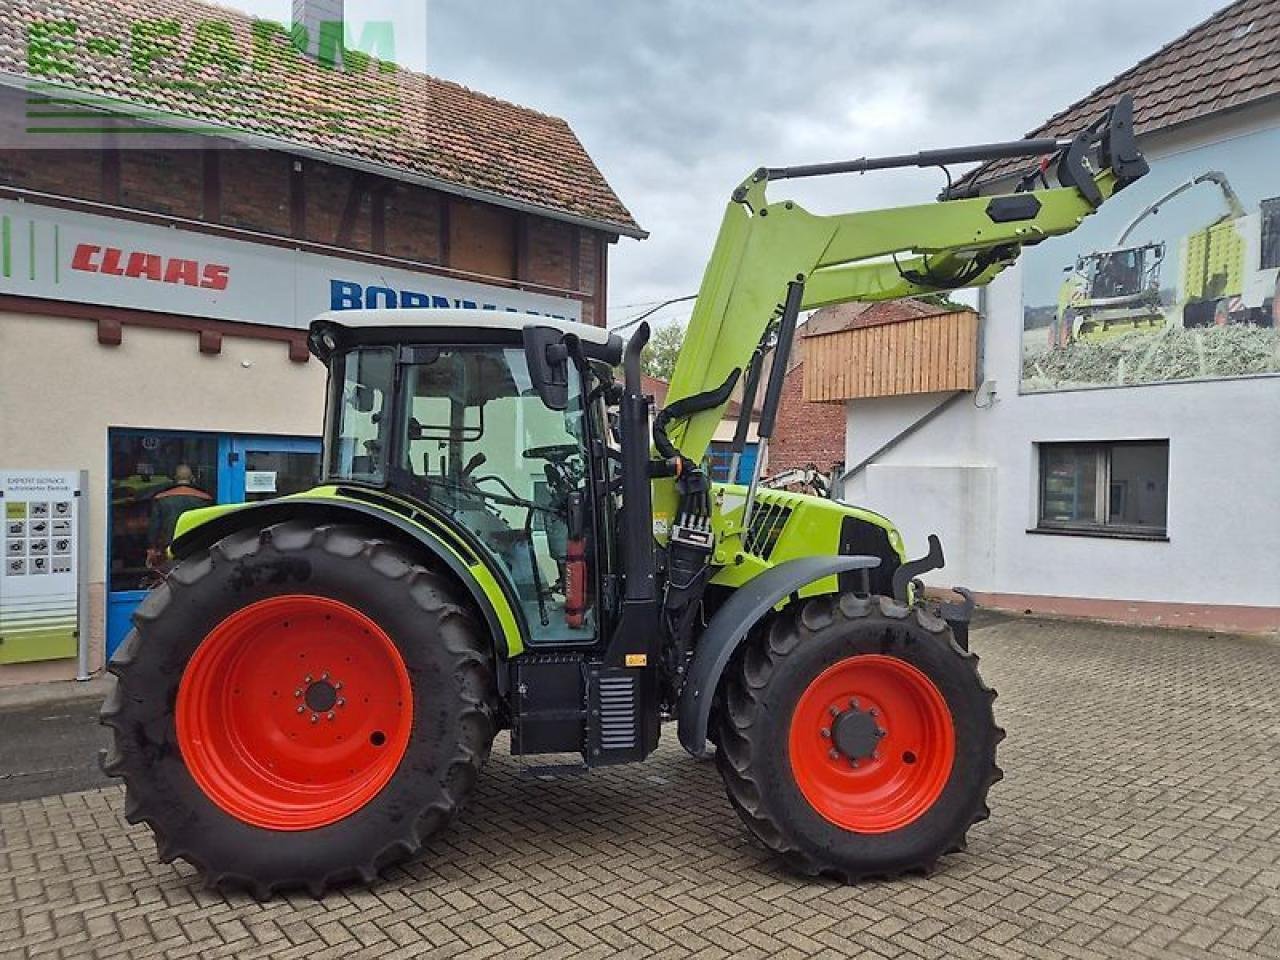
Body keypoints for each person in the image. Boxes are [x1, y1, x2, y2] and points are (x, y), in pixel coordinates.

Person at [146, 464, 212, 570]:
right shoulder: (204, 499)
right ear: (192, 478)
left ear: (174, 478)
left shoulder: (161, 498)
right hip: (195, 548)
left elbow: (154, 527)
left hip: (169, 549)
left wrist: (152, 548)